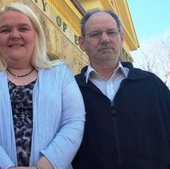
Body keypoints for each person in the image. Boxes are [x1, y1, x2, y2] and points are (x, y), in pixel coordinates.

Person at [0, 2, 85, 169]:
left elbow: (74, 122)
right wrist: (5, 167)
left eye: (23, 28)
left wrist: (42, 167)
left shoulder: (60, 74)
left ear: (36, 35)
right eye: (5, 30)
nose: (15, 35)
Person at [72, 9, 170, 169]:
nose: (105, 39)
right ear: (82, 43)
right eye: (95, 34)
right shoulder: (70, 90)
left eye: (111, 32)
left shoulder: (151, 84)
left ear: (121, 38)